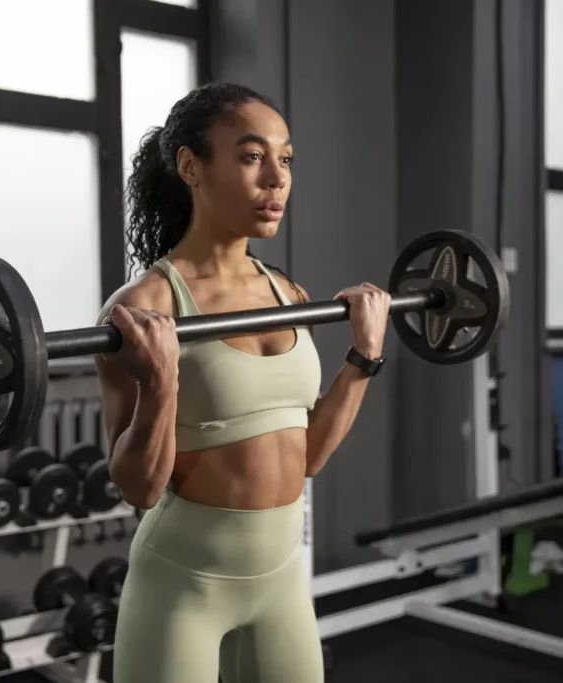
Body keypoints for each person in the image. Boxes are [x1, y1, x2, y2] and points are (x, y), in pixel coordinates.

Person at [93, 82, 391, 683]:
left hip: (281, 578)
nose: (276, 180)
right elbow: (139, 489)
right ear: (191, 167)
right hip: (183, 584)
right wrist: (161, 382)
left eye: (286, 160)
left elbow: (306, 457)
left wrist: (364, 356)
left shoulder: (289, 295)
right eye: (253, 157)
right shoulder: (144, 308)